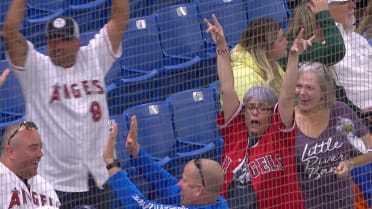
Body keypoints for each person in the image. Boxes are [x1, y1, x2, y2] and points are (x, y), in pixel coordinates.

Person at [2, 0, 129, 208]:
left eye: (64, 40)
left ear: (78, 42)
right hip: (56, 183)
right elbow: (10, 33)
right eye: (52, 40)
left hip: (99, 174)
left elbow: (120, 18)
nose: (57, 46)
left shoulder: (95, 57)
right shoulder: (35, 69)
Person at [204, 14, 313, 209]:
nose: (255, 112)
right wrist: (221, 43)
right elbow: (227, 87)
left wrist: (293, 57)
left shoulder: (279, 135)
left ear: (272, 114)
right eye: (251, 107)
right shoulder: (235, 132)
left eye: (262, 108)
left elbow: (287, 96)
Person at [284, 59, 372, 208]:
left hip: (343, 203)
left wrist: (350, 163)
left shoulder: (340, 111)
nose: (302, 93)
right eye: (299, 86)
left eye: (309, 88)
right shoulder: (287, 120)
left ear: (323, 92)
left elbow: (370, 149)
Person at [102, 117, 228, 209]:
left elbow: (141, 206)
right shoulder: (217, 202)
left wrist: (111, 163)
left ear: (198, 190)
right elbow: (167, 184)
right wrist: (137, 152)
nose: (179, 183)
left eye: (184, 181)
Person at [0, 121, 60, 209]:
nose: (40, 154)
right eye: (33, 148)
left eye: (40, 148)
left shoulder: (44, 186)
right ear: (11, 152)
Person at [327, 0, 372, 115]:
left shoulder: (359, 39)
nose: (353, 6)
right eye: (345, 2)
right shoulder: (325, 46)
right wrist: (358, 112)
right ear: (329, 8)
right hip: (358, 114)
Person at [231, 17, 287, 100]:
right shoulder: (243, 76)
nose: (286, 42)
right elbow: (248, 111)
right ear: (266, 46)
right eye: (281, 39)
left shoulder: (271, 64)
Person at [282, 0, 346, 67]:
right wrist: (323, 13)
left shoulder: (290, 45)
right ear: (317, 26)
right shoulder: (296, 49)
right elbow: (337, 50)